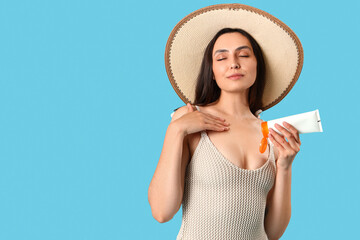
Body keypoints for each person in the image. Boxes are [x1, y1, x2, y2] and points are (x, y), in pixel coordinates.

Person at [148, 4, 303, 240]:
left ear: (256, 66)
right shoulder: (189, 122)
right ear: (211, 70)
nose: (234, 63)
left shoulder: (271, 133)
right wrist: (176, 130)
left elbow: (271, 233)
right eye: (222, 57)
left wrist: (285, 167)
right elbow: (161, 211)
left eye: (243, 55)